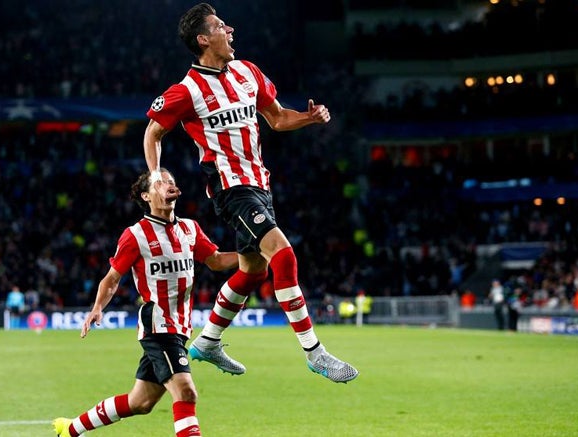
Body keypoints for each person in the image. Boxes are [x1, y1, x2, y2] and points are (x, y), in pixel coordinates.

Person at [143, 2, 358, 383]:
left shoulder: (248, 72)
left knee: (251, 271)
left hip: (260, 184)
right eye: (221, 26)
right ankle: (314, 352)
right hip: (231, 188)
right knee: (283, 254)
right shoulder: (187, 91)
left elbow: (276, 117)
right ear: (203, 39)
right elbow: (153, 132)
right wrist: (156, 174)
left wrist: (308, 118)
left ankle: (208, 342)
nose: (231, 31)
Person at [53, 169, 238, 437]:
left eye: (171, 181)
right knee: (186, 391)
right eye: (160, 183)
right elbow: (112, 278)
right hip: (158, 326)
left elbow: (217, 260)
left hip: (181, 327)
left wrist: (254, 255)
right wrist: (97, 308)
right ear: (146, 196)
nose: (168, 186)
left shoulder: (190, 228)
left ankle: (70, 429)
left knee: (140, 402)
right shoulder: (135, 235)